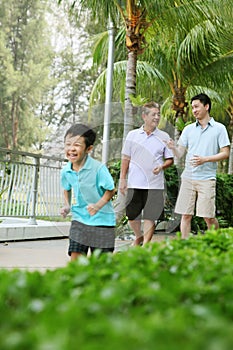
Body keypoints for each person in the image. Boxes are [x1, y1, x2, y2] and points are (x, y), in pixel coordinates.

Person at [166, 93, 230, 239]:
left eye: (197, 106)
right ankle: (185, 246)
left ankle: (216, 242)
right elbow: (180, 153)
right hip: (188, 177)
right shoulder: (188, 129)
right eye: (192, 107)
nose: (194, 110)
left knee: (208, 217)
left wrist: (205, 159)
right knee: (186, 215)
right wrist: (172, 147)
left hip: (207, 179)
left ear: (206, 107)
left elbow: (225, 153)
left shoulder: (219, 129)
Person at [119, 102, 174, 246]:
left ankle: (146, 245)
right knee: (132, 216)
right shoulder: (133, 135)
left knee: (151, 216)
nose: (156, 117)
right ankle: (138, 236)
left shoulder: (164, 136)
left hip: (154, 184)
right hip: (134, 182)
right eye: (153, 114)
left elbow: (170, 160)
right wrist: (122, 179)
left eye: (158, 114)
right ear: (144, 116)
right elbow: (125, 158)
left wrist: (161, 167)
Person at [60, 123, 116, 260]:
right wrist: (67, 206)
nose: (71, 149)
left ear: (88, 148)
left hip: (103, 222)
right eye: (68, 144)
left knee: (101, 266)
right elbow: (66, 188)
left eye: (77, 145)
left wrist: (97, 206)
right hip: (79, 220)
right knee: (76, 260)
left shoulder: (98, 169)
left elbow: (111, 190)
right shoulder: (66, 170)